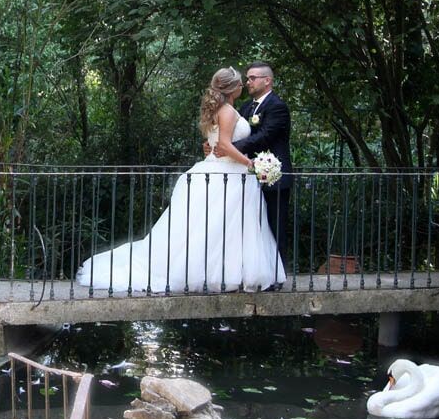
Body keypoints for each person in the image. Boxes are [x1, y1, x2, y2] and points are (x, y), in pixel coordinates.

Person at [75, 67, 285, 293]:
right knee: (217, 229)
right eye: (241, 83)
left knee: (224, 230)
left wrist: (218, 151)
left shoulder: (225, 109)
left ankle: (230, 273)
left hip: (225, 172)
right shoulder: (227, 111)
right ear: (232, 87)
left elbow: (219, 144)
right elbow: (224, 145)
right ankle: (217, 275)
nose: (244, 85)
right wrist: (249, 163)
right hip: (228, 173)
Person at [233, 61, 292, 259]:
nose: (248, 82)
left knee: (274, 226)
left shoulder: (277, 106)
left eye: (252, 78)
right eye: (247, 78)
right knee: (252, 226)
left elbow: (265, 136)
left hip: (273, 177)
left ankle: (277, 273)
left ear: (267, 81)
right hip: (247, 177)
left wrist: (231, 149)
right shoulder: (246, 107)